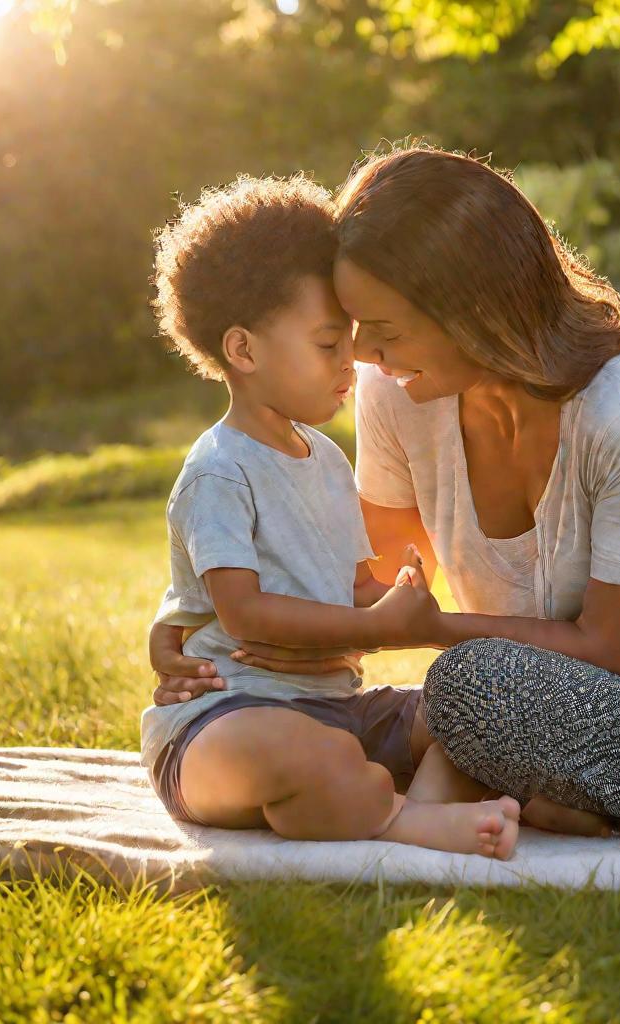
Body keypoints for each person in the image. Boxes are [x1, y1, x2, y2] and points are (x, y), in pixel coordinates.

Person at [156, 147, 620, 841]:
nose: (361, 356)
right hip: (547, 720)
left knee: (469, 685)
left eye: (383, 331)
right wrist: (189, 633)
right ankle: (529, 799)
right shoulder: (398, 396)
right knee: (409, 713)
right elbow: (365, 586)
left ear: (473, 309)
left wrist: (426, 631)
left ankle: (512, 793)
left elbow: (615, 655)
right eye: (353, 331)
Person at [142, 172, 520, 858]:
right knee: (300, 751)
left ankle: (387, 804)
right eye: (327, 344)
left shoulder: (323, 459)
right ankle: (408, 821)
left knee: (468, 710)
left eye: (350, 341)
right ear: (243, 350)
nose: (353, 363)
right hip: (227, 720)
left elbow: (351, 589)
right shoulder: (219, 470)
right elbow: (244, 616)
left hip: (338, 710)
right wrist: (373, 629)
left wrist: (397, 596)